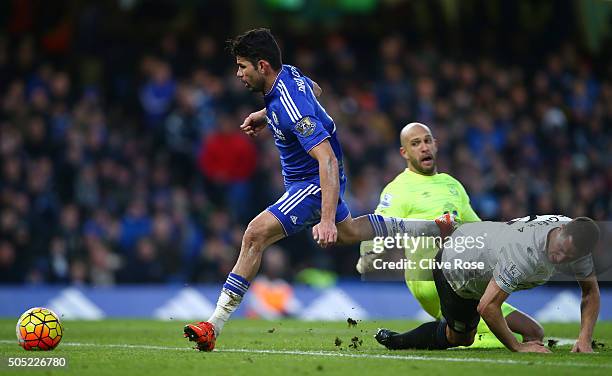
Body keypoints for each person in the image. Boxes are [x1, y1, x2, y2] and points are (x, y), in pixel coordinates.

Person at [183, 28, 455, 351]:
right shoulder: (290, 76)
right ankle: (431, 228)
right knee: (351, 232)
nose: (238, 74)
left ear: (263, 66)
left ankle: (213, 325)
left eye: (243, 66)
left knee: (254, 234)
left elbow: (326, 160)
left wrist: (325, 219)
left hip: (313, 182)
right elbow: (316, 89)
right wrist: (265, 115)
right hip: (321, 177)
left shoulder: (288, 105)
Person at [357, 122, 543, 348]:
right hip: (428, 276)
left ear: (435, 145)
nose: (424, 147)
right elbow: (381, 227)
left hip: (464, 274)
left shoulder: (452, 185)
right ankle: (407, 339)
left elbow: (476, 227)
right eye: (415, 144)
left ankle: (415, 337)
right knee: (484, 341)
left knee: (534, 331)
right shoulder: (398, 189)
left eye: (427, 141)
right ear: (404, 153)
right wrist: (371, 255)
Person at [375, 215, 600, 353]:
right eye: (560, 251)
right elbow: (486, 308)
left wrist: (584, 339)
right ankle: (397, 341)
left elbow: (590, 293)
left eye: (568, 257)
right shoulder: (524, 254)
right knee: (461, 338)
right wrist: (517, 347)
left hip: (484, 262)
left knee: (534, 332)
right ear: (560, 231)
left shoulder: (575, 238)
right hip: (456, 267)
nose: (559, 259)